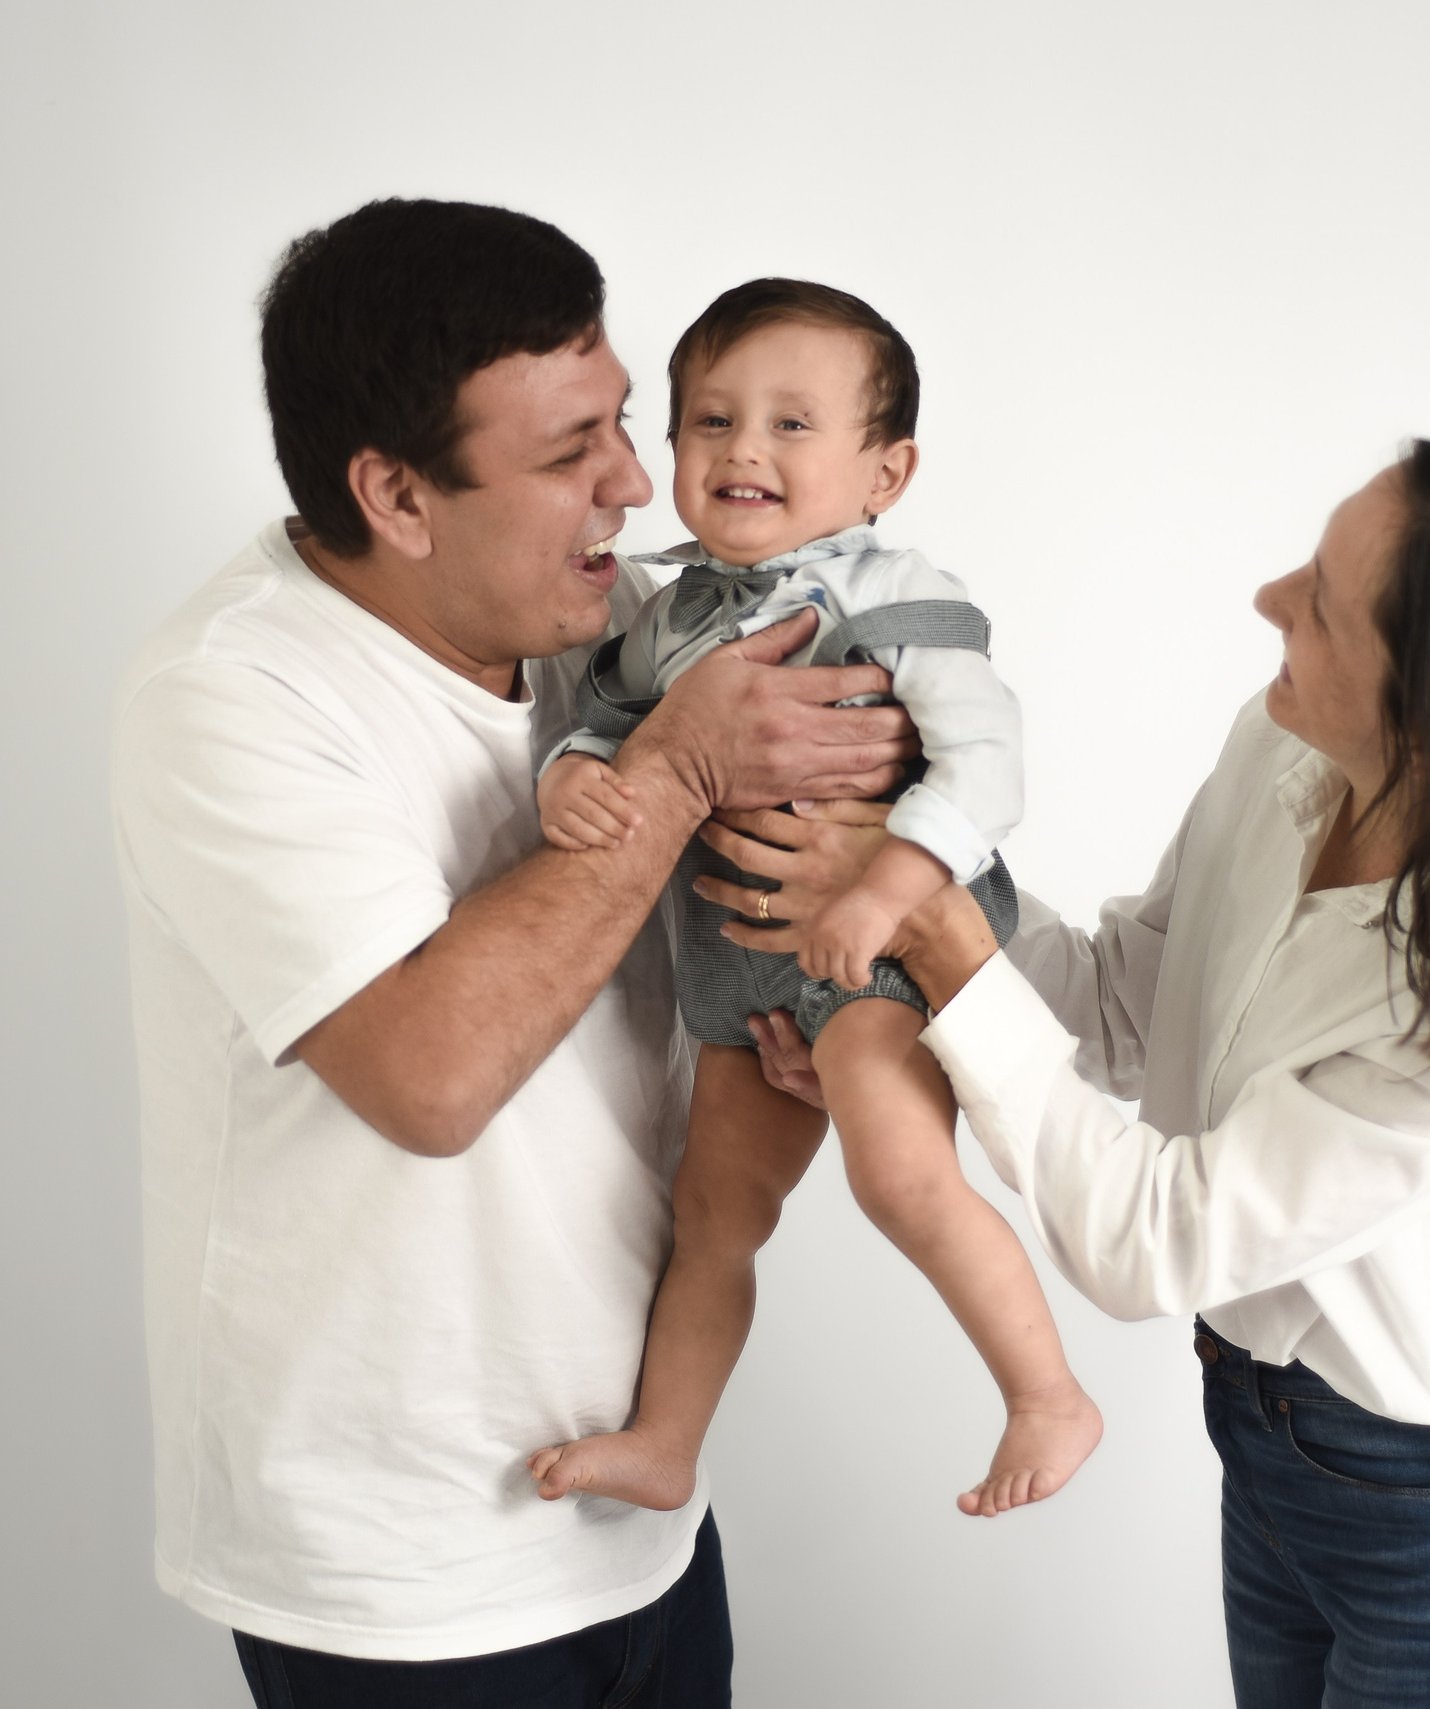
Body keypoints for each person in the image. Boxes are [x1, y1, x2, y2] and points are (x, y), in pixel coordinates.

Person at [702, 443, 1430, 1708]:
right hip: (1267, 1436)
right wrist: (908, 878)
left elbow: (1154, 1242)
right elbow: (1129, 1004)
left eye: (1321, 604)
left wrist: (944, 946)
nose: (1267, 598)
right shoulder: (1287, 747)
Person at [108, 199, 914, 1706]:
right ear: (397, 495)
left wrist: (838, 982)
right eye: (567, 454)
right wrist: (679, 769)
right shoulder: (231, 695)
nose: (635, 482)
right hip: (402, 1572)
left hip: (640, 1510)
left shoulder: (623, 628)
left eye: (623, 422)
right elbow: (430, 1078)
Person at [522, 280, 1099, 1521]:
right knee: (711, 1209)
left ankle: (1047, 1392)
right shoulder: (668, 612)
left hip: (882, 952)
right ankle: (666, 1439)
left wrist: (884, 892)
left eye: (792, 423)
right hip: (738, 965)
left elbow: (987, 765)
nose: (743, 449)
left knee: (898, 1177)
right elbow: (609, 724)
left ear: (885, 470)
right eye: (711, 420)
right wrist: (572, 772)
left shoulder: (894, 594)